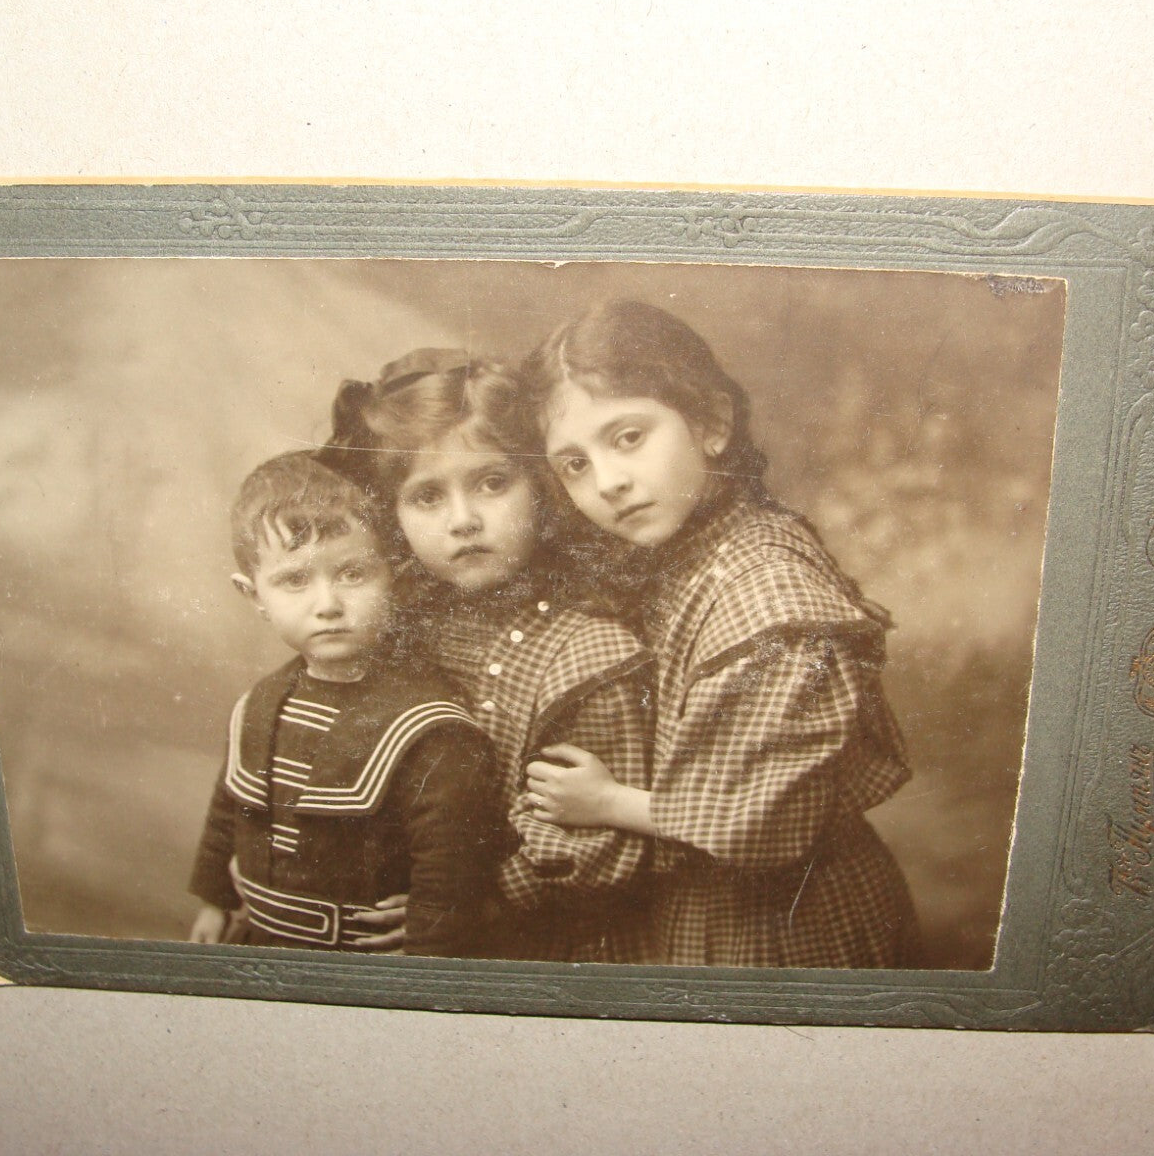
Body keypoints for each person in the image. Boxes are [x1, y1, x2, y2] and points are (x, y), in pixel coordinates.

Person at [517, 299, 921, 968]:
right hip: (703, 905)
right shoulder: (688, 550)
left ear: (710, 423)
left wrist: (609, 803)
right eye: (575, 464)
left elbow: (760, 823)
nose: (609, 482)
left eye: (628, 437)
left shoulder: (768, 597)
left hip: (786, 925)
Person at [326, 348, 655, 963]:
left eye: (493, 483)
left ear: (544, 489)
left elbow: (593, 848)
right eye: (427, 496)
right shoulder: (408, 628)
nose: (464, 520)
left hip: (545, 945)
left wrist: (466, 912)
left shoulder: (590, 655)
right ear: (392, 518)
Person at [187, 449, 503, 957]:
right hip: (262, 943)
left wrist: (429, 942)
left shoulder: (427, 727)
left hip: (364, 960)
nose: (328, 605)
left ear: (395, 578)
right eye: (294, 580)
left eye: (352, 574)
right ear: (254, 596)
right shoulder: (260, 703)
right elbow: (231, 809)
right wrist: (215, 903)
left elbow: (450, 864)